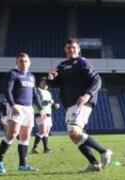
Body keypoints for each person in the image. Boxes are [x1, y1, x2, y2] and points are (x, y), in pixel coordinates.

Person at [47, 38, 112, 171]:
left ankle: (104, 151)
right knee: (75, 136)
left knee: (73, 131)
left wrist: (87, 95)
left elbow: (97, 80)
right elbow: (55, 84)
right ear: (65, 49)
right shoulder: (62, 66)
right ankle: (94, 164)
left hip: (82, 102)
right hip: (69, 104)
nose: (71, 50)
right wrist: (51, 78)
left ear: (78, 49)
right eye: (69, 47)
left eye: (74, 47)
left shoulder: (82, 62)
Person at [0, 53, 38, 173]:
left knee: (25, 137)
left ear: (29, 62)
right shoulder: (13, 73)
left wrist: (41, 108)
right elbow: (7, 90)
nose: (23, 63)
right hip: (17, 106)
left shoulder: (31, 76)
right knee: (12, 134)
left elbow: (34, 93)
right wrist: (13, 105)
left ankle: (23, 165)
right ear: (16, 62)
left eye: (25, 61)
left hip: (29, 108)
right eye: (20, 61)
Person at [31, 77, 55, 154]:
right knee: (42, 130)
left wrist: (54, 104)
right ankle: (34, 148)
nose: (45, 83)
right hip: (40, 112)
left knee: (47, 131)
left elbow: (49, 103)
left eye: (46, 82)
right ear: (40, 83)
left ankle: (46, 149)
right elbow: (38, 101)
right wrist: (49, 102)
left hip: (48, 112)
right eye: (43, 82)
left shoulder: (48, 92)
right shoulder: (38, 90)